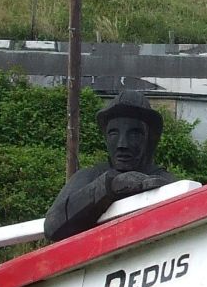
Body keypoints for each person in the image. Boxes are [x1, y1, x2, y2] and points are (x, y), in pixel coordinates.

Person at [43, 91, 180, 242]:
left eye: (134, 134)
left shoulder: (167, 183)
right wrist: (109, 186)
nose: (122, 145)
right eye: (114, 133)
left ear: (149, 138)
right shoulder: (89, 176)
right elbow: (51, 226)